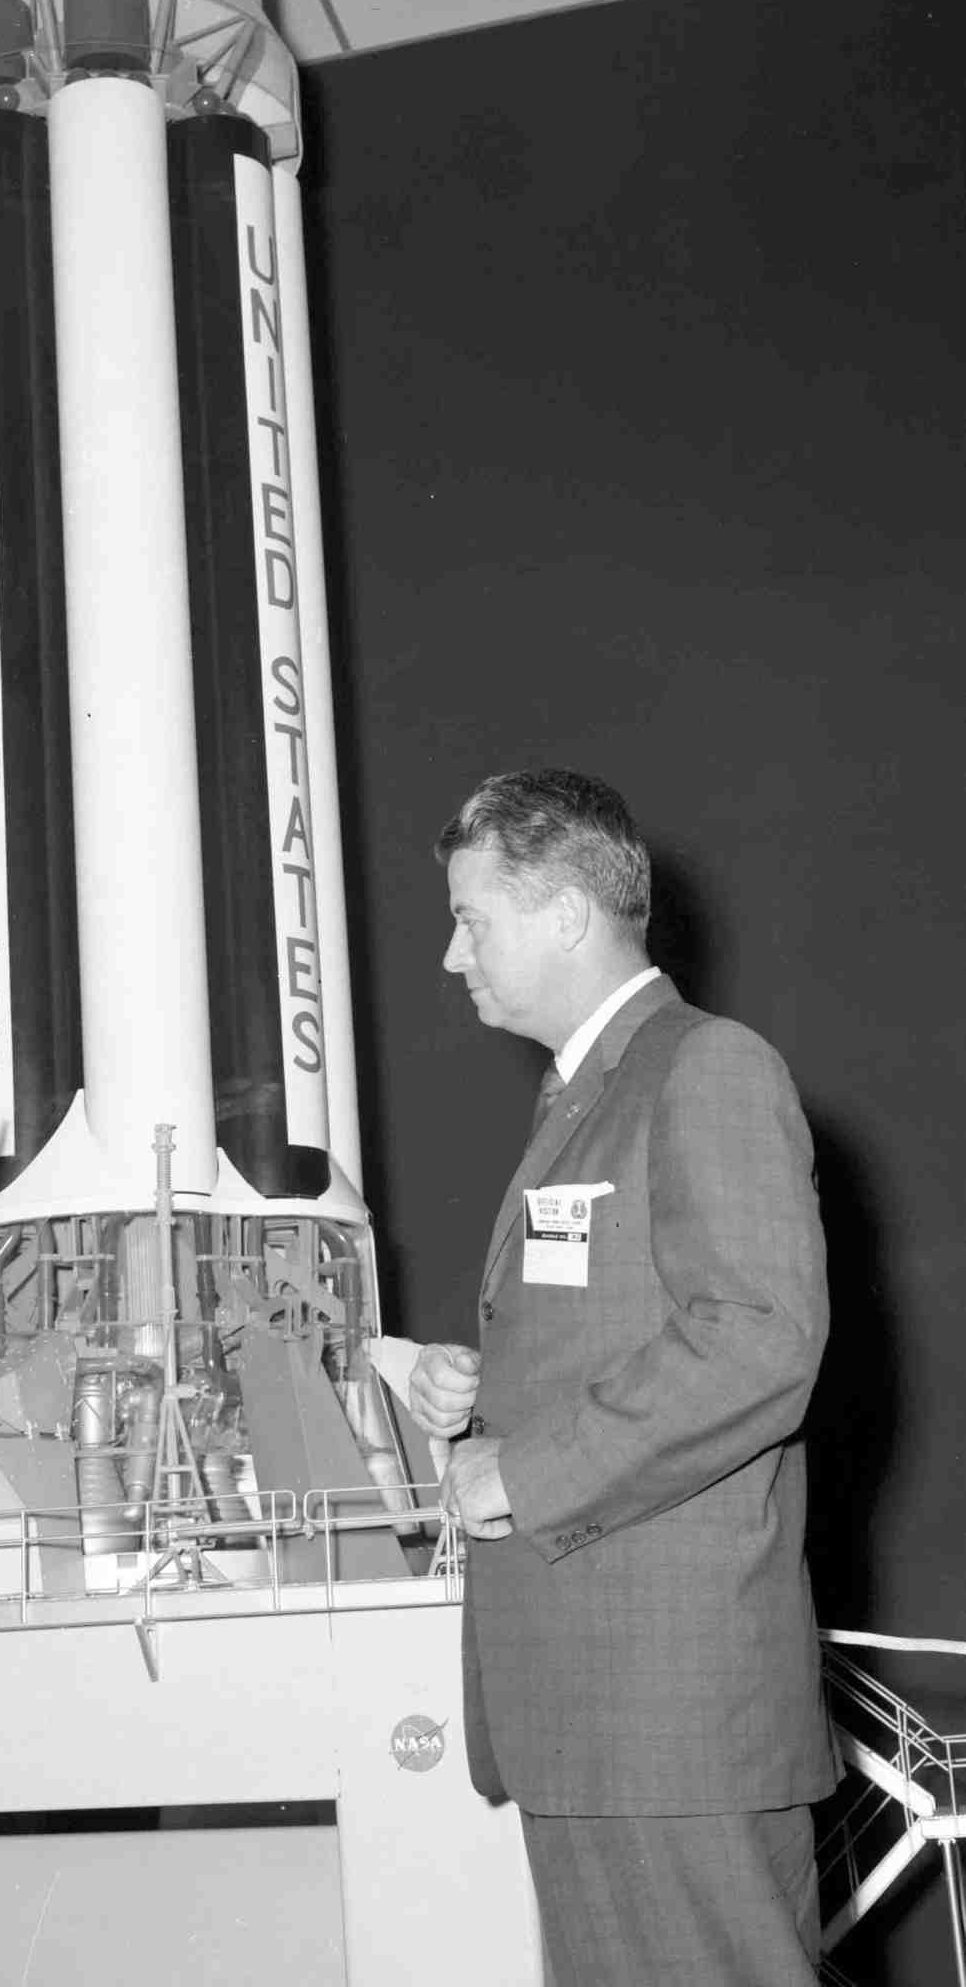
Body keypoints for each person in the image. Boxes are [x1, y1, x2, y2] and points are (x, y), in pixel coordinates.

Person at [409, 769, 839, 1987]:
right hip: (604, 1716)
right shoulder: (585, 1092)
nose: (452, 955)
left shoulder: (707, 1067)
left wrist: (521, 1469)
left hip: (666, 1720)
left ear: (561, 915)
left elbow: (759, 1337)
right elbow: (633, 1325)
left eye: (470, 916)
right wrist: (482, 1388)